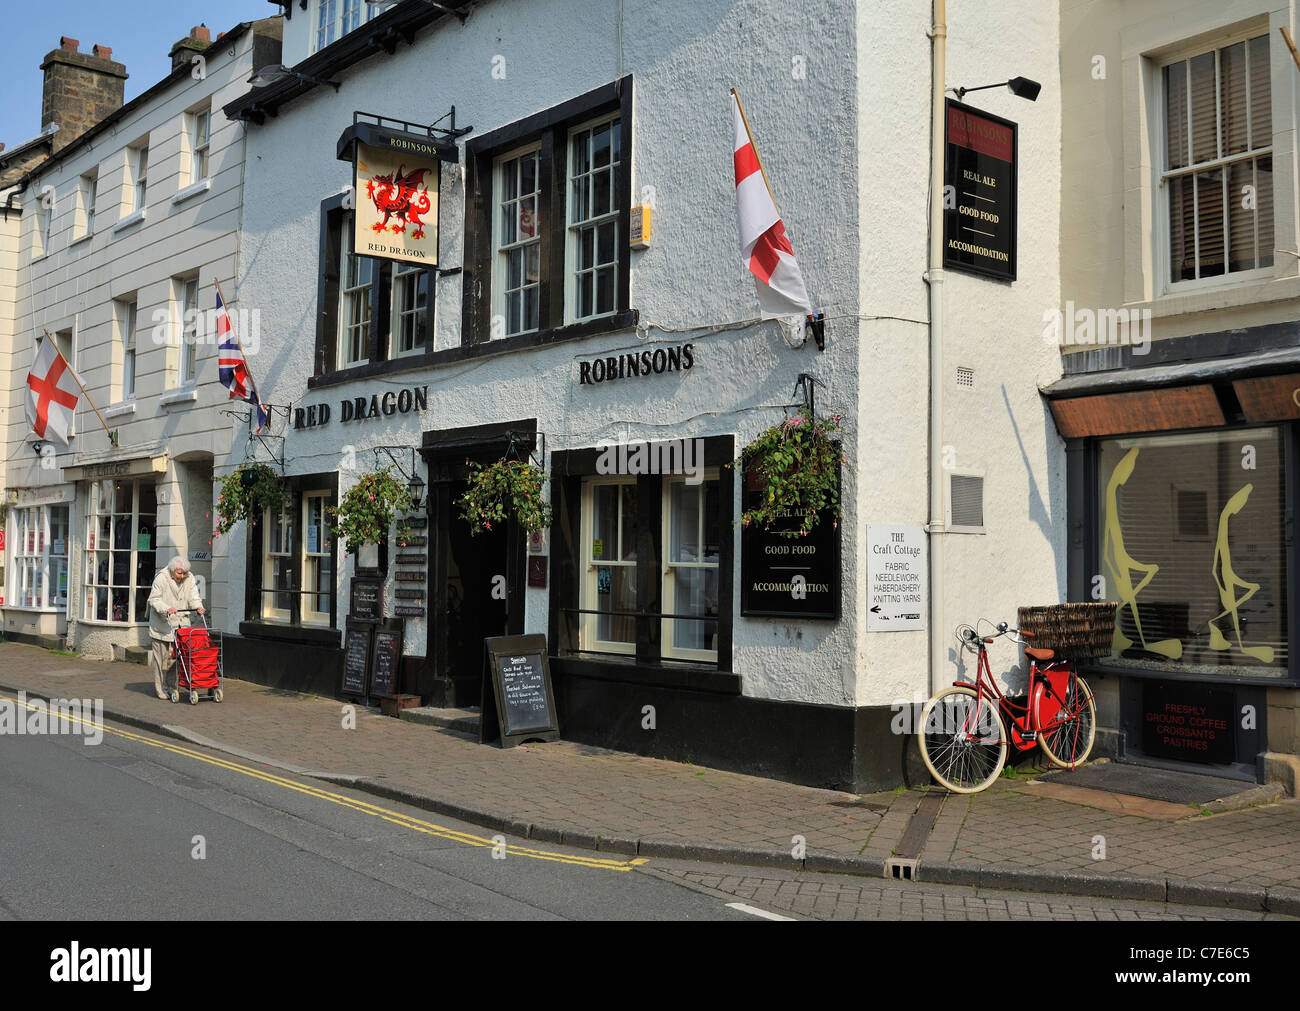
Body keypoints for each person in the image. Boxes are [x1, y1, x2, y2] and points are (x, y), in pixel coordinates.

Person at [147, 555, 205, 701]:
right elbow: (154, 599)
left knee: (180, 657)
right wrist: (166, 608)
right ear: (172, 570)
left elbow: (194, 596)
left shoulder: (189, 578)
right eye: (180, 573)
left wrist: (198, 607)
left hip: (181, 625)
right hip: (162, 625)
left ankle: (172, 686)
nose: (183, 576)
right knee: (162, 659)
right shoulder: (161, 578)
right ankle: (161, 689)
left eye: (185, 573)